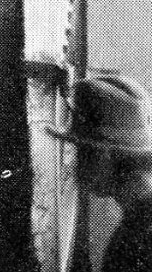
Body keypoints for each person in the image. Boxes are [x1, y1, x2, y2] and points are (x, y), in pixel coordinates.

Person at [52, 74, 152, 272]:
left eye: (80, 150)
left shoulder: (133, 240)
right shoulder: (139, 224)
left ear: (102, 154)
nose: (73, 165)